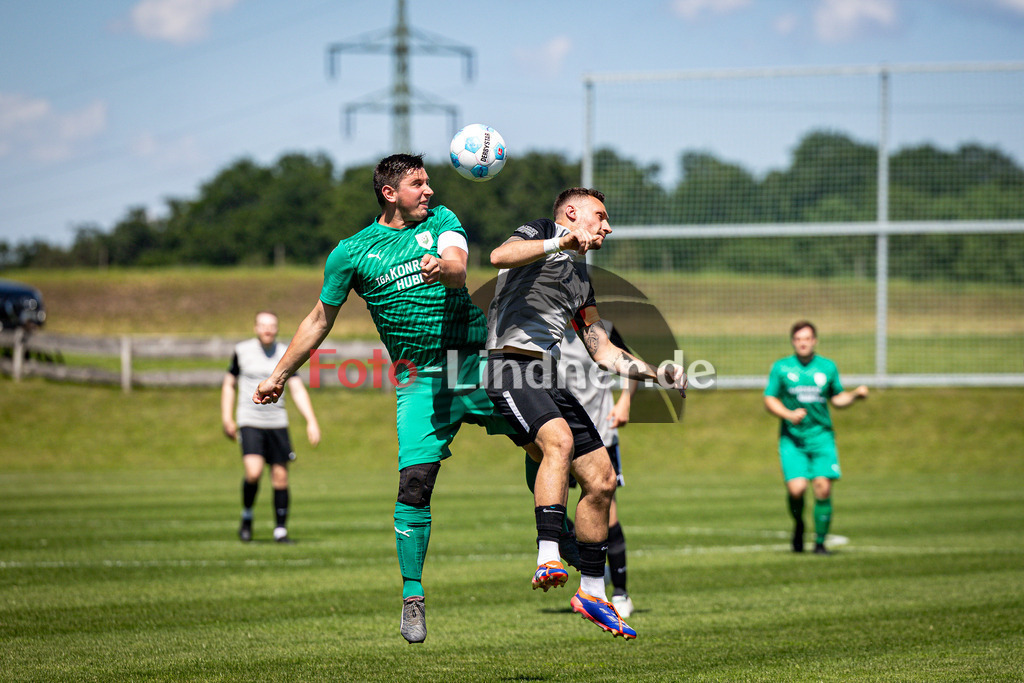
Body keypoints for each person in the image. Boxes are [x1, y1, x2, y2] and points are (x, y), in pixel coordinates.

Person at [252, 153, 509, 644]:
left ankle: (553, 536)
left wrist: (444, 269)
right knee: (413, 484)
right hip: (417, 379)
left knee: (546, 437)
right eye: (418, 184)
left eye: (429, 181)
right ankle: (413, 597)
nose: (429, 190)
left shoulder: (442, 220)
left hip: (474, 362)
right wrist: (280, 373)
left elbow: (458, 266)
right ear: (390, 193)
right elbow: (318, 320)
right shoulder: (350, 253)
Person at [484, 187, 686, 640]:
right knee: (560, 441)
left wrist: (657, 373)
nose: (607, 227)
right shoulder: (541, 234)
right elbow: (500, 255)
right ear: (572, 213)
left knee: (602, 478)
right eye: (601, 216)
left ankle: (593, 592)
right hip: (508, 366)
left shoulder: (580, 281)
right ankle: (548, 555)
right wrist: (561, 241)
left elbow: (604, 350)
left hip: (548, 377)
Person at [524, 323, 639, 617]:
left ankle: (621, 593)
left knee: (608, 512)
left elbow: (630, 364)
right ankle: (589, 576)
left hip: (599, 435)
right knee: (556, 509)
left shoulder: (603, 330)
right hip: (558, 435)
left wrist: (625, 400)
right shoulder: (544, 328)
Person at [763, 320, 869, 555]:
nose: (803, 343)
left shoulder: (827, 367)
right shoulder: (781, 368)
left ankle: (820, 543)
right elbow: (769, 399)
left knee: (822, 488)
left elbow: (837, 398)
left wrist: (854, 396)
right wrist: (788, 414)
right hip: (793, 439)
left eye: (807, 338)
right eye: (798, 339)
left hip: (821, 437)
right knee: (797, 489)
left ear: (814, 341)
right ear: (793, 342)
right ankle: (799, 525)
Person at [221, 311, 320, 544]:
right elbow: (229, 384)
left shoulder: (287, 353)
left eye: (272, 325)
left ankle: (280, 531)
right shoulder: (242, 351)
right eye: (263, 325)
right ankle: (247, 517)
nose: (267, 329)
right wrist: (227, 418)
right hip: (250, 420)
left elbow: (296, 388)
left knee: (280, 476)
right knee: (253, 472)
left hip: (277, 423)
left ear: (277, 328)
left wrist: (311, 420)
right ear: (256, 327)